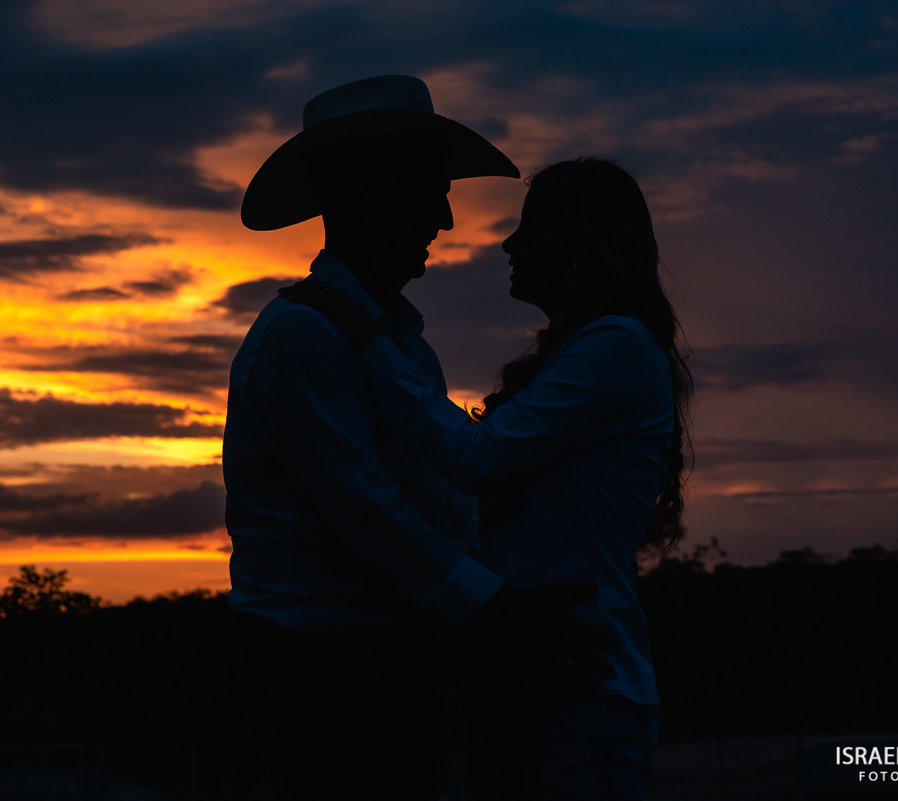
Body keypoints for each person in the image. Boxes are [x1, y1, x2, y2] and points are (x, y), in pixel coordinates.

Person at [225, 76, 606, 801]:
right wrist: (496, 605)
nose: (446, 218)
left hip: (375, 658)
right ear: (370, 195)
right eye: (430, 192)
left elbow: (424, 500)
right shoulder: (304, 337)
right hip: (325, 664)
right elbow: (365, 509)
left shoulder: (398, 343)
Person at [284, 157, 692, 800]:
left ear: (581, 247)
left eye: (532, 229)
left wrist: (371, 346)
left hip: (581, 690)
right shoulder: (580, 356)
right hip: (528, 682)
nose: (508, 243)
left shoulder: (617, 346)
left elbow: (479, 458)